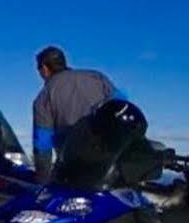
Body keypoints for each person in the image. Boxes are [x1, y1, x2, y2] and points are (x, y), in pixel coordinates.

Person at [32, 46, 122, 181]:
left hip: (75, 171)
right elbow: (122, 107)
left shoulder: (44, 97)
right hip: (114, 163)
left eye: (38, 69)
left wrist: (43, 182)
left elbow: (43, 146)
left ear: (45, 68)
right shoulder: (96, 77)